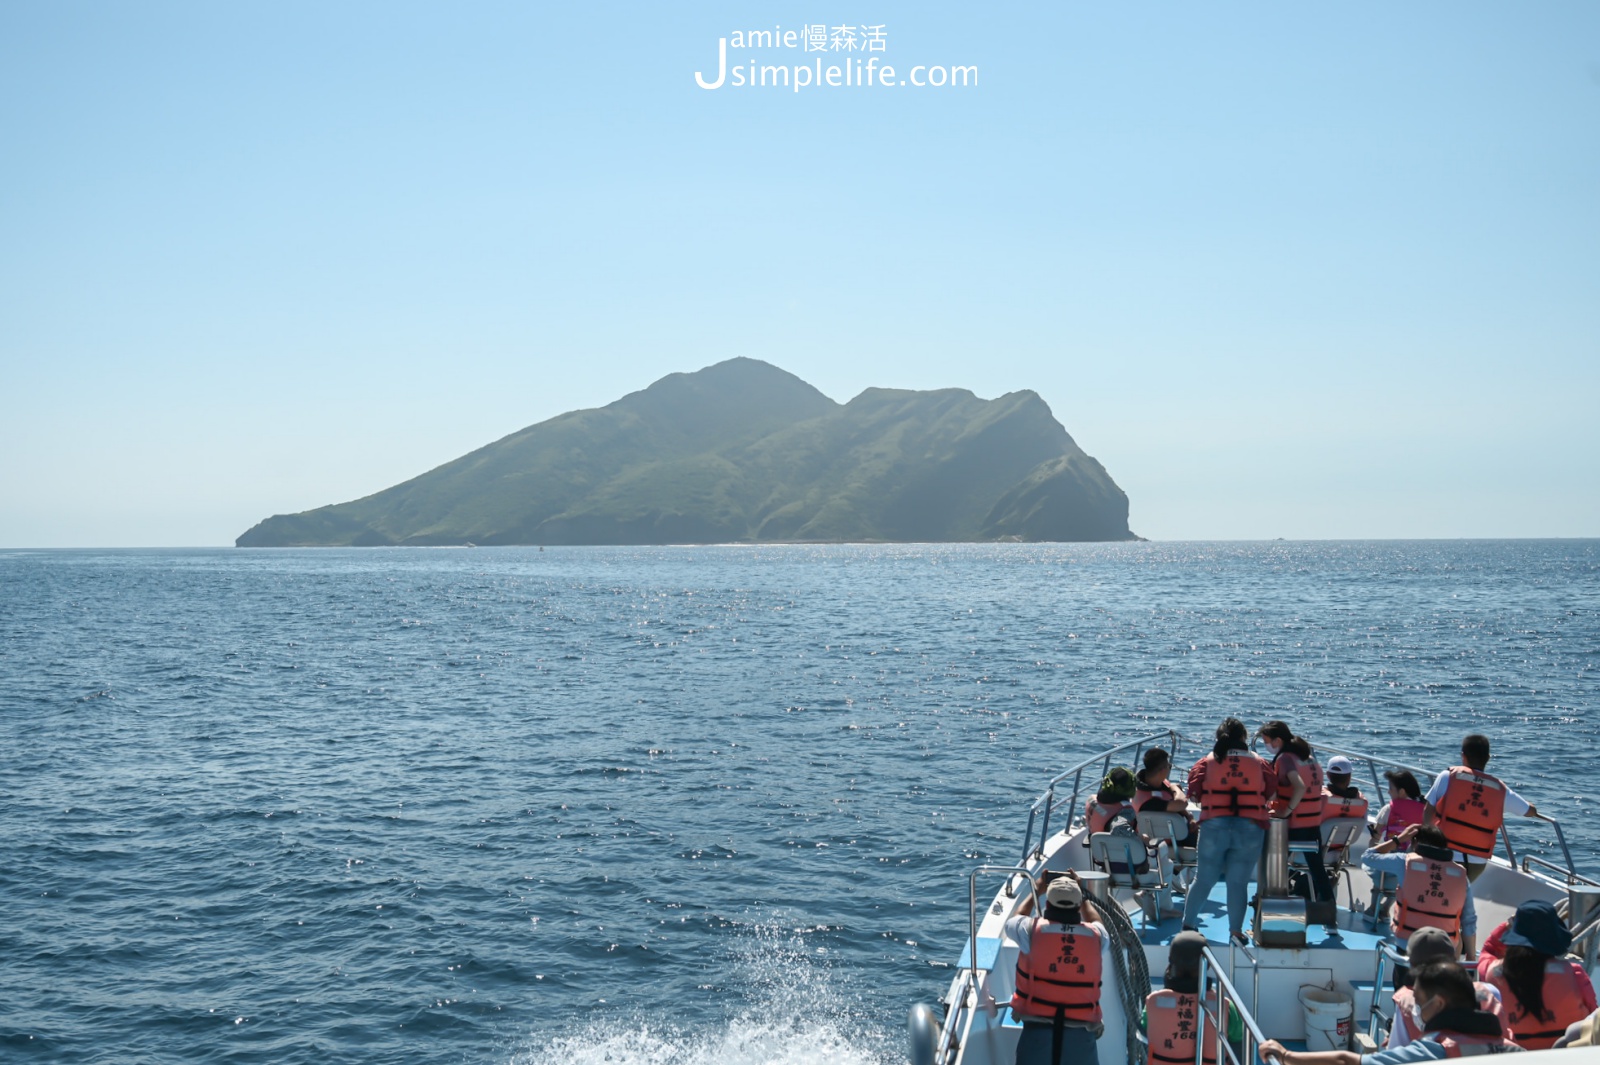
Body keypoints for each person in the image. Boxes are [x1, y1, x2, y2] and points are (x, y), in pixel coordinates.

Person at [1260, 961, 1522, 1064]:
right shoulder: (1515, 1051)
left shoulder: (1436, 1050)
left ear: (1439, 1003)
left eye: (1418, 999)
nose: (1416, 1007)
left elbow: (1345, 1060)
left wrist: (1286, 1055)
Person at [1181, 717, 1272, 944]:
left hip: (1214, 826)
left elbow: (1193, 794)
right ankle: (1235, 932)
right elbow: (1271, 794)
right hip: (1250, 828)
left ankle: (1188, 925)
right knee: (1238, 883)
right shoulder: (1260, 763)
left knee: (1203, 879)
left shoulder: (1205, 762)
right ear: (1244, 738)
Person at [1004, 874, 1107, 1065]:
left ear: (1048, 905)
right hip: (1081, 1035)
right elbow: (1097, 922)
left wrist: (1037, 889)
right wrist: (1083, 896)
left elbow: (1014, 920)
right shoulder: (1097, 936)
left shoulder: (1030, 931)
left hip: (1037, 1032)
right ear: (1078, 906)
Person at [1479, 899, 1597, 1050]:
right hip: (1567, 1057)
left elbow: (1488, 949)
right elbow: (1594, 1017)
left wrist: (1507, 925)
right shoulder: (1575, 973)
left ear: (1514, 936)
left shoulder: (1492, 972)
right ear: (1554, 938)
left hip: (1515, 1057)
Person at [1423, 734, 1539, 882]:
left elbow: (1428, 811)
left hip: (1444, 853)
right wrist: (1531, 806)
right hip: (1476, 863)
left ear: (1463, 756)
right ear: (1488, 758)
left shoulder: (1447, 777)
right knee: (1460, 892)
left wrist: (1426, 844)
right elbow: (1529, 812)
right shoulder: (1500, 790)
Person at [1361, 824, 1477, 966]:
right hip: (1445, 948)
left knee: (1406, 985)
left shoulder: (1403, 861)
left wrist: (1399, 839)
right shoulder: (1461, 874)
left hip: (1407, 945)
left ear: (1415, 843)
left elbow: (1367, 857)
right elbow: (1469, 920)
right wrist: (1471, 956)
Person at [1386, 927, 1508, 1049]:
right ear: (1453, 960)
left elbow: (1395, 1051)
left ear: (1412, 965)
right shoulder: (1490, 992)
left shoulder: (1405, 1002)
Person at [1259, 720, 1331, 904]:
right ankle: (1329, 912)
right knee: (1318, 871)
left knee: (1271, 864)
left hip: (1293, 824)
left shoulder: (1284, 759)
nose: (1266, 745)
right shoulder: (1309, 758)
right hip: (1313, 823)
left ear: (1277, 740)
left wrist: (1286, 811)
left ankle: (1268, 904)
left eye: (1267, 741)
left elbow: (1299, 786)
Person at [1145, 930, 1219, 1065]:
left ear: (1171, 964)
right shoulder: (1223, 1005)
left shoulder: (1153, 1002)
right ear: (1207, 965)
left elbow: (1146, 1027)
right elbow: (1237, 1035)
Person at [1136, 747, 1197, 847]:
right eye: (1169, 766)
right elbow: (1182, 803)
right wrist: (1174, 788)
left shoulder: (1155, 783)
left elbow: (1171, 801)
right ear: (1163, 770)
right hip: (1167, 840)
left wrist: (1189, 817)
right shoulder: (1150, 802)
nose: (1169, 768)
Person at [1321, 755, 1369, 859]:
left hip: (1315, 853)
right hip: (1341, 855)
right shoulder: (1362, 802)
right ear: (1350, 776)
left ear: (1328, 775)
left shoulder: (1321, 798)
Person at [1372, 770, 1427, 849]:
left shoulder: (1388, 809)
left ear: (1401, 791)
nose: (1388, 792)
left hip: (1391, 856)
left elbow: (1375, 838)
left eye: (1391, 789)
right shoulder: (1426, 810)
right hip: (1415, 857)